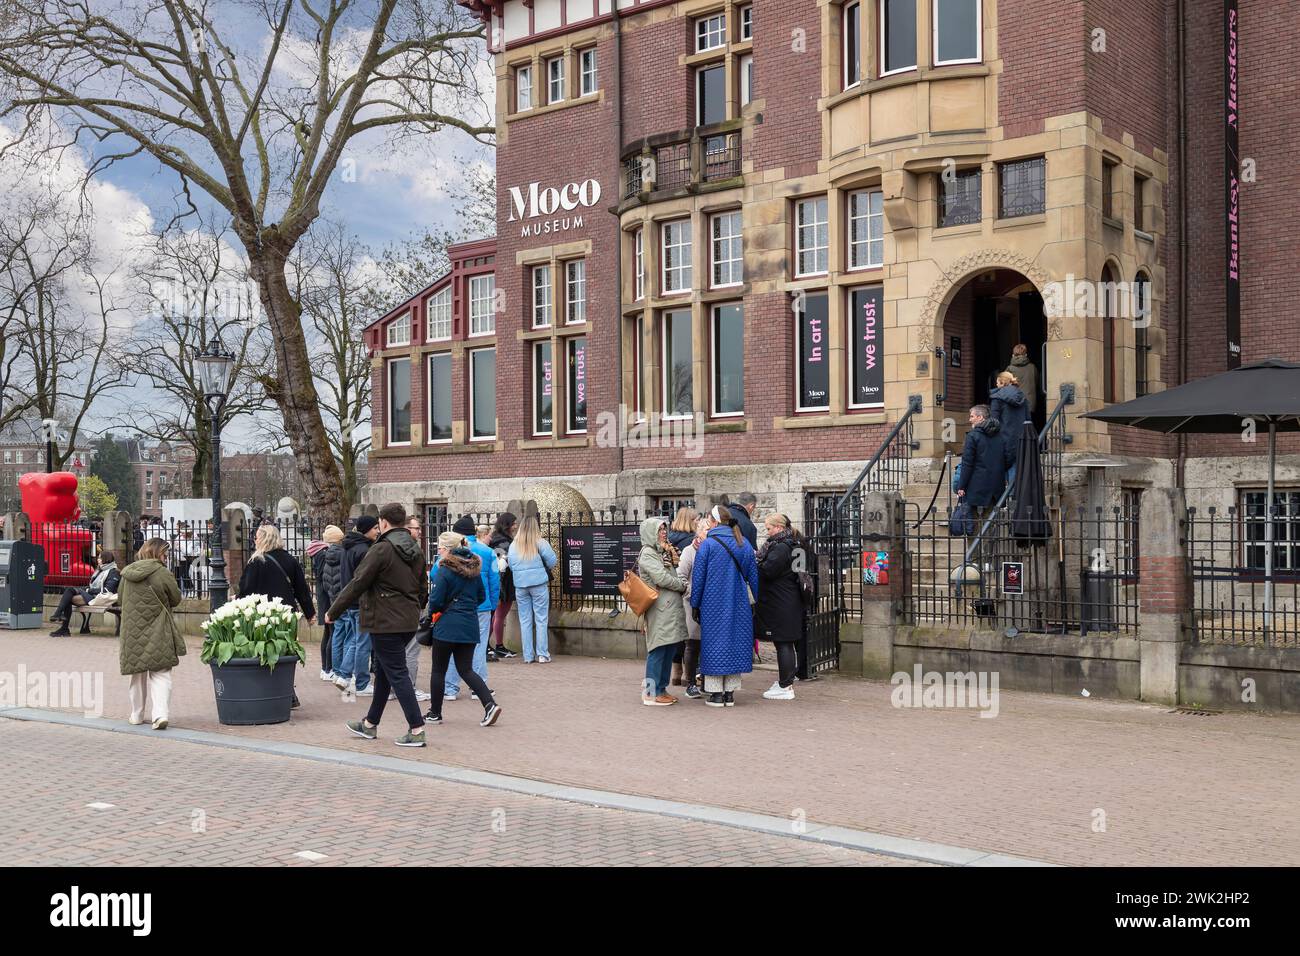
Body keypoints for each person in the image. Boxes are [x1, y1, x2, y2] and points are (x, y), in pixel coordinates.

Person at [326, 503, 429, 748]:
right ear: (403, 522)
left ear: (383, 522)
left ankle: (417, 728)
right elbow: (423, 585)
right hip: (407, 620)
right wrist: (415, 607)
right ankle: (370, 724)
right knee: (384, 671)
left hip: (384, 620)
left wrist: (334, 610)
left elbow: (357, 582)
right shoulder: (415, 549)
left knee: (397, 673)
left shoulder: (381, 549)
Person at [422, 531, 502, 727]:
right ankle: (489, 704)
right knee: (466, 669)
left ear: (448, 550)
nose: (439, 551)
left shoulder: (444, 570)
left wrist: (434, 612)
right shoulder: (474, 570)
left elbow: (436, 600)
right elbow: (481, 597)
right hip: (469, 623)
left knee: (439, 670)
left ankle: (435, 712)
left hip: (447, 625)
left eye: (441, 548)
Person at [690, 505, 760, 707]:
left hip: (713, 603)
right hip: (739, 603)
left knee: (713, 645)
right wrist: (756, 599)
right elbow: (753, 576)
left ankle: (716, 694)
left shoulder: (708, 545)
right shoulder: (743, 543)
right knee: (735, 644)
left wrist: (695, 604)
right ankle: (730, 693)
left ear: (713, 522)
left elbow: (699, 578)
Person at [118, 538, 184, 730]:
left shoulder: (127, 573)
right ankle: (160, 715)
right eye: (165, 553)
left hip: (132, 630)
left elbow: (121, 598)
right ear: (156, 552)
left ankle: (136, 714)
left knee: (137, 673)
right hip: (158, 627)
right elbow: (176, 598)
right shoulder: (162, 573)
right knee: (161, 672)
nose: (166, 557)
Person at [440, 516, 500, 700]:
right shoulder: (488, 552)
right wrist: (493, 604)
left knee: (451, 646)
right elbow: (494, 581)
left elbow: (436, 575)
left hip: (454, 607)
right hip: (481, 606)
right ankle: (478, 686)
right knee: (479, 646)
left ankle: (450, 688)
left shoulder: (449, 553)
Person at [637, 517, 689, 706]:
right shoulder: (648, 553)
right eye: (660, 530)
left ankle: (661, 689)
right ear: (650, 532)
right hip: (659, 609)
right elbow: (661, 578)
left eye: (665, 529)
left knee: (669, 647)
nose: (664, 533)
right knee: (658, 649)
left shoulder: (663, 551)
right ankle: (650, 693)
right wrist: (681, 586)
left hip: (669, 609)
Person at [756, 514, 807, 701]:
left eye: (768, 528)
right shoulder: (796, 544)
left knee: (783, 643)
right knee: (787, 642)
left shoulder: (781, 547)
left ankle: (786, 686)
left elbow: (767, 571)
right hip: (792, 599)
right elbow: (799, 572)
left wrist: (757, 562)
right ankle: (785, 682)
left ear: (778, 527)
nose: (767, 532)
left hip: (781, 600)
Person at [331, 516, 378, 695]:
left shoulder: (348, 547)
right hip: (360, 602)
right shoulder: (364, 550)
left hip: (350, 601)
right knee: (363, 643)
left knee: (354, 640)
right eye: (374, 528)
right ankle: (362, 683)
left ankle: (343, 675)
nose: (377, 531)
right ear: (366, 529)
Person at [507, 513, 556, 663]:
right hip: (538, 584)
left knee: (525, 620)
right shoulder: (540, 542)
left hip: (521, 585)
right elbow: (552, 561)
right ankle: (542, 654)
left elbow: (510, 564)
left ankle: (528, 656)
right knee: (541, 619)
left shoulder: (514, 544)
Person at [676, 515, 711, 700]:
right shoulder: (690, 551)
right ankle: (690, 683)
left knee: (708, 646)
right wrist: (693, 594)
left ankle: (706, 681)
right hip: (692, 604)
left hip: (710, 605)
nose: (709, 533)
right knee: (692, 644)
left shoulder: (713, 550)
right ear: (699, 532)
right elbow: (680, 577)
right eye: (706, 530)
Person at [955, 404, 1013, 514]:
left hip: (977, 487)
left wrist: (961, 486)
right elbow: (1008, 457)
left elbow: (967, 463)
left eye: (972, 416)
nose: (970, 419)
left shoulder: (972, 436)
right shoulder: (1000, 436)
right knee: (990, 522)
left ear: (980, 417)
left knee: (976, 524)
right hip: (996, 487)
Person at [49, 550, 121, 637]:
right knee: (69, 592)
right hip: (93, 596)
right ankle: (62, 625)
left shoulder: (113, 572)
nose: (98, 559)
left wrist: (88, 590)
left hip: (101, 598)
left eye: (100, 558)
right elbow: (91, 587)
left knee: (69, 594)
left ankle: (62, 623)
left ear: (106, 559)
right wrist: (86, 589)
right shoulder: (100, 570)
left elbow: (106, 590)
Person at [400, 516, 433, 702]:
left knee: (397, 650)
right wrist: (421, 601)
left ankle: (394, 688)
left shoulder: (388, 548)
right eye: (416, 528)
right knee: (411, 648)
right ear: (406, 529)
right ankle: (409, 687)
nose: (420, 531)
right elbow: (420, 582)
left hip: (396, 606)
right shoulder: (414, 551)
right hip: (411, 605)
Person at [666, 507, 697, 685]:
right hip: (684, 589)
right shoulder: (691, 542)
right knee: (689, 633)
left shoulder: (669, 539)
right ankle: (689, 672)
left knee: (677, 631)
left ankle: (676, 671)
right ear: (691, 521)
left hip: (669, 588)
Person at [309, 525, 344, 681]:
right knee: (332, 633)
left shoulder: (319, 553)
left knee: (329, 633)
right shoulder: (325, 555)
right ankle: (328, 667)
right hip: (328, 597)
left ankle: (326, 667)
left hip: (325, 597)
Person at [488, 512, 519, 659]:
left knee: (495, 615)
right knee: (499, 615)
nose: (515, 526)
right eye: (513, 523)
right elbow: (505, 562)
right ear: (507, 525)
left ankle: (491, 645)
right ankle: (498, 646)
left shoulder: (495, 538)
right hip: (504, 582)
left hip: (500, 581)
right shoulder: (504, 541)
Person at [1006, 343, 1039, 415]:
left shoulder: (1009, 369)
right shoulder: (1032, 367)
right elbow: (1036, 382)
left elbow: (1004, 386)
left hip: (1014, 402)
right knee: (1028, 423)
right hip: (1029, 402)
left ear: (1013, 355)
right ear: (1026, 355)